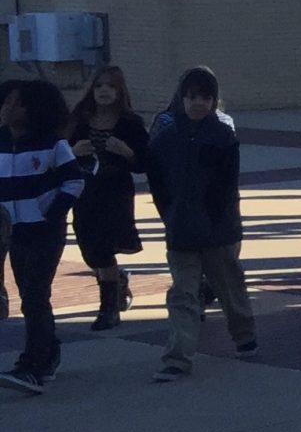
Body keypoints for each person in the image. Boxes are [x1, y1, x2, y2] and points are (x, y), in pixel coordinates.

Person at [142, 67, 255, 382]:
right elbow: (157, 181)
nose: (198, 103)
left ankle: (244, 334)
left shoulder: (222, 136)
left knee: (228, 285)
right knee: (183, 293)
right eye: (192, 97)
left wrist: (216, 221)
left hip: (219, 229)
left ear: (213, 99)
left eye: (205, 97)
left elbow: (226, 187)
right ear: (182, 98)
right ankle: (178, 357)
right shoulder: (166, 138)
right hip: (181, 228)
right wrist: (170, 214)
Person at [1, 80, 88, 393]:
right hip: (14, 233)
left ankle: (33, 365)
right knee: (29, 296)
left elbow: (74, 182)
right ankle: (49, 353)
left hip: (45, 232)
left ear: (33, 108)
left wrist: (52, 212)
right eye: (6, 102)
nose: (8, 109)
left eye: (16, 103)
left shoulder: (52, 145)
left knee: (36, 296)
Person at [67, 68, 148, 330]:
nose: (104, 91)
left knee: (105, 247)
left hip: (115, 191)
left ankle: (108, 308)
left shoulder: (130, 123)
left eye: (110, 87)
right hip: (85, 190)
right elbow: (57, 156)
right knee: (90, 247)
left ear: (119, 91)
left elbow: (145, 163)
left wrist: (127, 153)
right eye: (99, 86)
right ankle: (117, 282)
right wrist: (72, 151)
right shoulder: (79, 120)